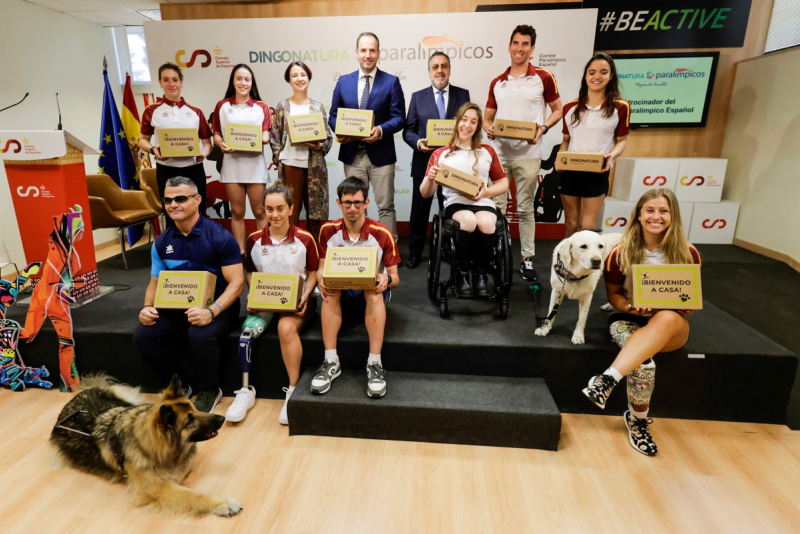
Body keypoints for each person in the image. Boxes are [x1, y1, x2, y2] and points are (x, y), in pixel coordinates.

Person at [582, 188, 701, 456]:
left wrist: (684, 304)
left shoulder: (688, 253)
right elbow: (614, 296)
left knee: (667, 316)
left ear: (673, 216)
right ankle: (637, 421)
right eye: (649, 210)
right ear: (638, 215)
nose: (656, 216)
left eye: (663, 211)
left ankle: (606, 380)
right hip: (628, 320)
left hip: (670, 325)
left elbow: (689, 301)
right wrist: (630, 307)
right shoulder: (620, 252)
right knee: (643, 362)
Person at [133, 177, 243, 413]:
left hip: (218, 305)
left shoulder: (220, 237)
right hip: (175, 306)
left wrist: (211, 312)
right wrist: (146, 307)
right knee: (144, 335)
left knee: (200, 334)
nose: (173, 204)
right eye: (168, 200)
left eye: (180, 198)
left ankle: (209, 390)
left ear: (197, 200)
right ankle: (179, 386)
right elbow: (154, 282)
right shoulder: (161, 242)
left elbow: (237, 283)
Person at [227, 181, 319, 425]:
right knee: (246, 333)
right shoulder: (254, 239)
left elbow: (313, 273)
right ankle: (246, 391)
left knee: (285, 329)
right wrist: (251, 293)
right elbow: (250, 272)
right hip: (266, 302)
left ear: (290, 209)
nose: (274, 215)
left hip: (297, 304)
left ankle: (292, 391)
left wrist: (305, 296)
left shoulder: (305, 239)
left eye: (280, 209)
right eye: (269, 209)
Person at [483, 24, 563, 282]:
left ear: (532, 49)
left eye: (525, 44)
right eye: (516, 43)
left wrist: (543, 127)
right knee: (497, 207)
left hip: (529, 154)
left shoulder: (543, 77)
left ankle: (527, 259)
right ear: (509, 47)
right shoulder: (498, 81)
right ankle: (495, 253)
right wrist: (489, 129)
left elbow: (558, 110)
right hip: (500, 154)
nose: (519, 48)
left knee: (526, 208)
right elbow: (487, 118)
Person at [313, 178, 400, 398]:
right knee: (329, 288)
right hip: (341, 293)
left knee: (373, 289)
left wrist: (385, 279)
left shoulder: (382, 233)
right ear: (339, 203)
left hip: (370, 294)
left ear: (367, 202)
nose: (352, 208)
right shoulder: (327, 230)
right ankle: (331, 360)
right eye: (347, 202)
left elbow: (396, 277)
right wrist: (321, 279)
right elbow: (320, 269)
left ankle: (375, 364)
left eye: (358, 203)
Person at [421, 103, 508, 298]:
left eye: (473, 122)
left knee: (486, 222)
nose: (467, 125)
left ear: (477, 127)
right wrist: (431, 177)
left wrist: (485, 193)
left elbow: (503, 183)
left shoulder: (487, 151)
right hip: (456, 203)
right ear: (457, 122)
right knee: (468, 220)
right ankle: (461, 273)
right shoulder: (440, 153)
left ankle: (480, 275)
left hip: (483, 201)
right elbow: (425, 193)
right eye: (464, 119)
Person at [329, 32, 406, 242]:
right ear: (357, 53)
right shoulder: (344, 82)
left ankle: (389, 254)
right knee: (354, 207)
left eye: (372, 50)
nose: (368, 55)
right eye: (364, 50)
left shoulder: (391, 82)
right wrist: (341, 132)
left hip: (381, 155)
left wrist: (380, 130)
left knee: (385, 207)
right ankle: (358, 250)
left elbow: (400, 118)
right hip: (353, 155)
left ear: (378, 53)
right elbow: (333, 116)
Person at [403, 51, 471, 268]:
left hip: (455, 162)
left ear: (449, 69)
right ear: (429, 71)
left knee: (450, 207)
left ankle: (448, 249)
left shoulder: (463, 95)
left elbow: (469, 127)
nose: (440, 70)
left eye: (444, 66)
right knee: (419, 209)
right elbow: (408, 130)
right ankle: (415, 252)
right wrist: (418, 143)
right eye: (435, 66)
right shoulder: (417, 96)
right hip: (425, 161)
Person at [559, 53, 629, 237]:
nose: (597, 77)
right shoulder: (570, 108)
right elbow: (566, 140)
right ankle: (567, 264)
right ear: (585, 76)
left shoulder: (620, 107)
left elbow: (622, 141)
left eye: (603, 72)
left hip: (598, 171)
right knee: (571, 224)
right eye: (592, 72)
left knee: (588, 226)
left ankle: (587, 266)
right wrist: (561, 158)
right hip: (571, 171)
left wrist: (611, 156)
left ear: (611, 75)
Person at [140, 63, 212, 227]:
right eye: (166, 80)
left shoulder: (195, 112)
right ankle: (174, 250)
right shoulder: (151, 110)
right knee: (172, 214)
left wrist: (203, 154)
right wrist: (153, 149)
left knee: (198, 212)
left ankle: (200, 251)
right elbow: (142, 139)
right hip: (166, 169)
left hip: (193, 168)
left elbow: (207, 143)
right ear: (160, 82)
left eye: (175, 79)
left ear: (181, 82)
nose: (171, 84)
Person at [269, 61, 333, 242]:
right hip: (290, 165)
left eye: (303, 75)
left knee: (316, 215)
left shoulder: (318, 107)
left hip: (315, 167)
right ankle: (291, 250)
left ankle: (315, 255)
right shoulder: (283, 106)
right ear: (289, 80)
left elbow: (327, 138)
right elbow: (274, 137)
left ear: (309, 79)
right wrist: (279, 158)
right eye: (295, 75)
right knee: (291, 212)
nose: (299, 79)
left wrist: (318, 146)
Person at [212, 64, 272, 256]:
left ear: (252, 82)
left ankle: (262, 248)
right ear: (233, 81)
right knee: (237, 212)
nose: (243, 83)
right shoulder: (222, 106)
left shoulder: (261, 107)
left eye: (247, 79)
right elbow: (217, 134)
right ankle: (240, 250)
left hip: (254, 166)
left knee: (260, 211)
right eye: (239, 79)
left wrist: (258, 140)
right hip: (232, 166)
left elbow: (265, 136)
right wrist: (221, 144)